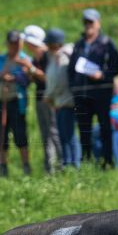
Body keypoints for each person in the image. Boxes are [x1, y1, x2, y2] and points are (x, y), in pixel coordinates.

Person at [68, 8, 118, 168]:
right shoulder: (78, 45)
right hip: (81, 95)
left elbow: (117, 66)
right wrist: (73, 87)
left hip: (101, 94)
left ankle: (108, 161)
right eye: (85, 22)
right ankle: (87, 161)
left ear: (98, 23)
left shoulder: (107, 43)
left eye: (91, 22)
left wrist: (102, 75)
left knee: (105, 128)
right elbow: (71, 69)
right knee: (84, 130)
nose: (88, 25)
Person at [0, 30, 32, 177]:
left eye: (17, 43)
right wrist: (2, 74)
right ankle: (3, 167)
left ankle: (26, 167)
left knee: (20, 135)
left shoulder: (25, 59)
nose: (14, 46)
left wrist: (14, 77)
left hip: (16, 102)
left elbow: (27, 81)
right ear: (7, 44)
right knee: (1, 135)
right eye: (11, 43)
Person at [22, 25, 61, 175]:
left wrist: (31, 69)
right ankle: (49, 168)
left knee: (54, 132)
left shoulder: (46, 56)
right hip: (39, 99)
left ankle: (63, 164)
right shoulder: (35, 58)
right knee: (45, 133)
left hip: (50, 99)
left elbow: (48, 77)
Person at [43, 28, 79, 169]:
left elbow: (60, 81)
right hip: (58, 102)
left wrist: (49, 95)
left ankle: (74, 164)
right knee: (63, 136)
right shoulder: (54, 57)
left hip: (66, 101)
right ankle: (67, 163)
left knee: (69, 136)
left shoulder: (62, 57)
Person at [91, 79, 118, 168]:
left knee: (107, 135)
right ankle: (100, 165)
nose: (115, 89)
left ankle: (117, 166)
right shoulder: (108, 100)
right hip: (111, 127)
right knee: (97, 139)